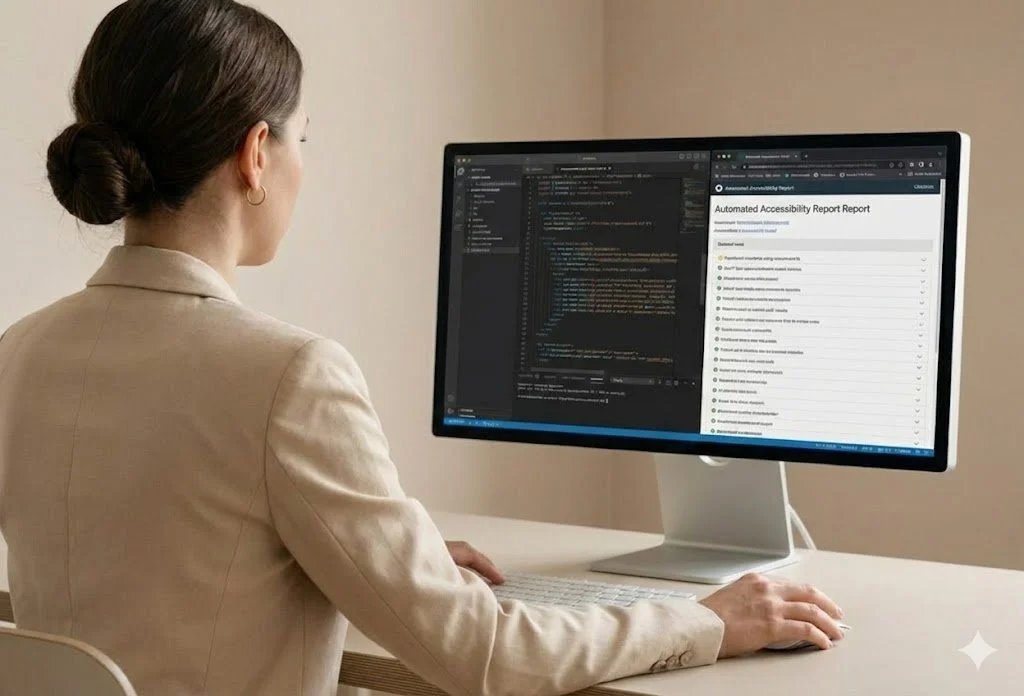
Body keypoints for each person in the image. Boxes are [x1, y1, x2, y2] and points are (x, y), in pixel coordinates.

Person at [0, 1, 845, 694]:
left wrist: (371, 553)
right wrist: (709, 621)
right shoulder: (285, 375)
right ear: (257, 155)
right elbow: (481, 655)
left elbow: (157, 553)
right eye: (304, 139)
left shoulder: (19, 354)